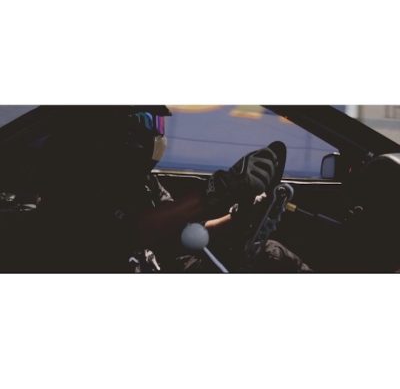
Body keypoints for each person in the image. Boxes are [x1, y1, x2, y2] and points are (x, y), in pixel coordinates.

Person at [0, 105, 311, 272]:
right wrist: (219, 189)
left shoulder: (139, 180)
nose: (156, 134)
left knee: (270, 255)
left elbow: (182, 230)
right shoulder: (76, 180)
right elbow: (128, 233)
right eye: (147, 121)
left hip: (159, 265)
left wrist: (237, 218)